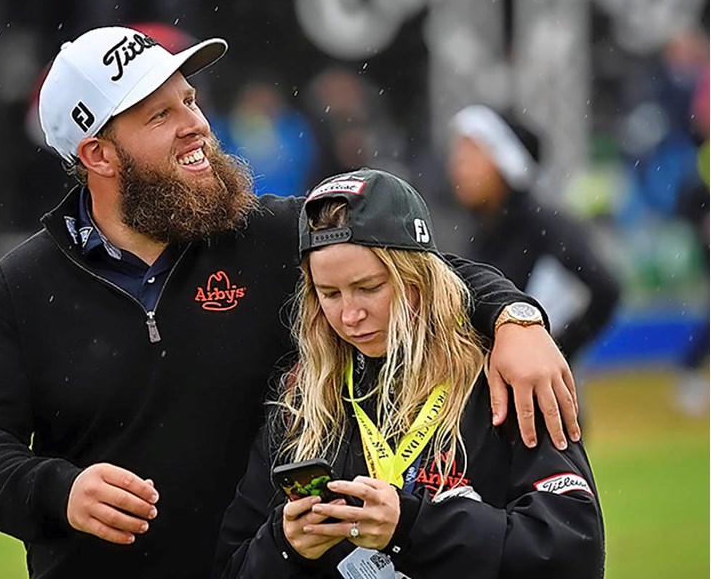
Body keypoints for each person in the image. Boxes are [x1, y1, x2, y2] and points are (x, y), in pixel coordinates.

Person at [0, 26, 580, 577]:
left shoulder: (269, 234)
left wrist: (515, 317)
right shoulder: (22, 285)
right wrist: (59, 490)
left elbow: (417, 267)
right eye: (159, 115)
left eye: (189, 101)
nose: (197, 126)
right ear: (97, 154)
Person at [215, 169, 605, 578]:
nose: (350, 315)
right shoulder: (303, 404)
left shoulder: (501, 378)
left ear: (418, 278)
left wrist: (412, 527)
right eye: (329, 294)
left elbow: (572, 552)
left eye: (369, 288)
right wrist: (285, 547)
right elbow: (232, 566)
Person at [448, 104, 620, 360]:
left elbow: (606, 289)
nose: (457, 166)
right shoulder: (481, 229)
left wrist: (556, 349)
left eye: (471, 154)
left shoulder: (544, 226)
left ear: (504, 161)